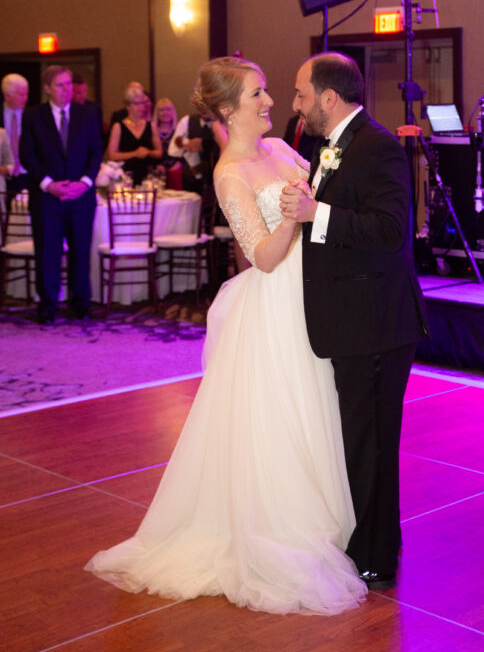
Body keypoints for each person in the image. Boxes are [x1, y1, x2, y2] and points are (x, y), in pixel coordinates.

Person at [85, 56, 366, 615]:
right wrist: (292, 215)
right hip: (275, 306)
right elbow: (261, 258)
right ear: (229, 108)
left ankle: (328, 520)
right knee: (282, 415)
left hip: (313, 296)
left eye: (267, 91)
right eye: (258, 94)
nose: (269, 102)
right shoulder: (230, 173)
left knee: (318, 410)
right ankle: (282, 528)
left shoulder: (282, 151)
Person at [280, 52, 427, 590]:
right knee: (357, 441)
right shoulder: (326, 145)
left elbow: (391, 232)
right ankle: (370, 539)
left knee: (373, 443)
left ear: (328, 98)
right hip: (350, 319)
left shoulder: (379, 146)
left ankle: (377, 555)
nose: (294, 105)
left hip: (377, 323)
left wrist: (315, 214)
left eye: (299, 95)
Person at [19, 65, 102, 323]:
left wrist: (85, 182)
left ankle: (81, 305)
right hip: (47, 198)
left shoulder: (87, 113)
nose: (67, 90)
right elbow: (27, 154)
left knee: (80, 251)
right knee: (48, 252)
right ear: (47, 88)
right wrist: (48, 184)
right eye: (60, 85)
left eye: (69, 84)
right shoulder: (33, 115)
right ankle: (48, 306)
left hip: (81, 198)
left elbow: (96, 151)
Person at [106, 85, 162, 186]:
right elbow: (112, 155)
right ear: (128, 106)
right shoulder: (118, 127)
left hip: (148, 175)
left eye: (142, 103)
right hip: (127, 175)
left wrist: (148, 152)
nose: (140, 107)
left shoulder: (151, 126)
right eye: (136, 104)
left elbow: (159, 152)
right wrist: (135, 153)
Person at [168, 109, 228, 193]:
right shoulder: (187, 121)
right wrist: (188, 147)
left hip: (215, 177)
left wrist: (204, 144)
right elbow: (172, 150)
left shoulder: (222, 123)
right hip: (191, 178)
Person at [1, 72, 30, 198]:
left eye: (26, 94)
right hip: (2, 176)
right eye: (21, 95)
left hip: (27, 174)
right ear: (7, 96)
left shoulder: (32, 116)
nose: (26, 98)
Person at [152, 97, 179, 170]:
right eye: (162, 110)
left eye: (168, 109)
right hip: (156, 171)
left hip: (175, 170)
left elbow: (184, 153)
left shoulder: (179, 131)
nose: (165, 113)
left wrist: (176, 166)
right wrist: (157, 165)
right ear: (156, 113)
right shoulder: (151, 131)